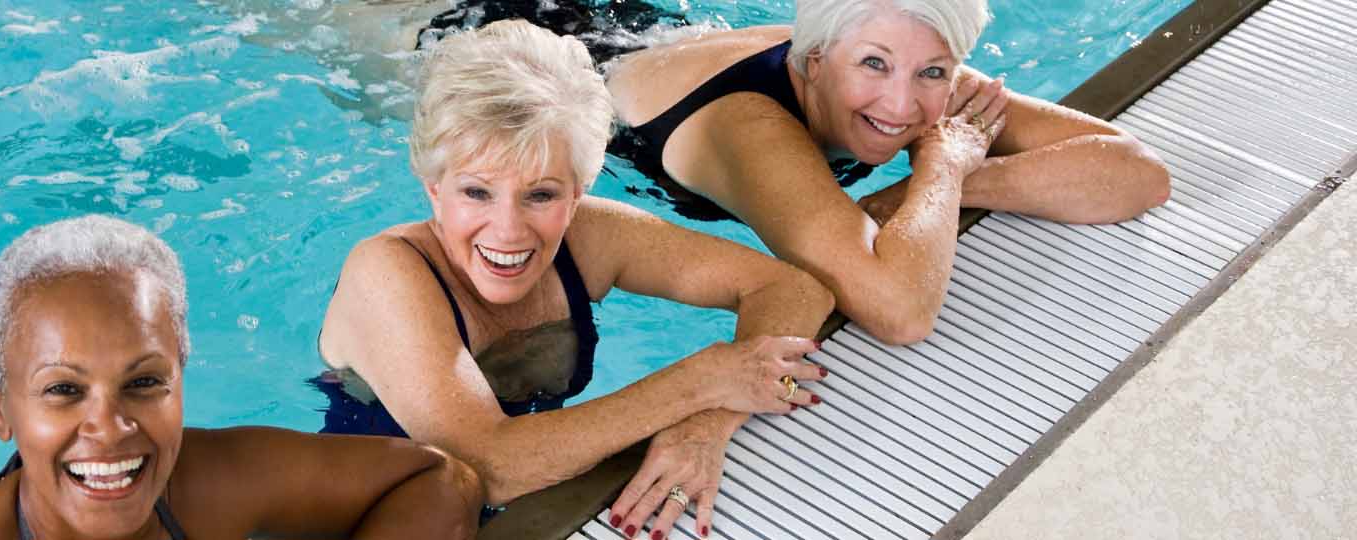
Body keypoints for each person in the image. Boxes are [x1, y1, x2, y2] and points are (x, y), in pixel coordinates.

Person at [315, 21, 835, 540]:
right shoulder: (387, 272)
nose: (508, 230)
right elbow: (490, 468)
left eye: (540, 195)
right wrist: (699, 381)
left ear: (580, 188)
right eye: (476, 193)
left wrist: (705, 425)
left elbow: (794, 290)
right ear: (433, 187)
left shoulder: (588, 237)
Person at [410, 0, 1172, 345]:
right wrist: (940, 164)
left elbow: (1136, 172)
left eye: (933, 74)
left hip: (625, 24)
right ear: (816, 62)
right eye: (872, 66)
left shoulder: (897, 58)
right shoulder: (755, 129)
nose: (902, 103)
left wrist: (944, 181)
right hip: (477, 39)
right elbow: (901, 312)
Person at [0, 216, 484, 540]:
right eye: (64, 390)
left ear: (180, 375)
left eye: (143, 382)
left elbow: (440, 479)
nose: (109, 429)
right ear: (0, 404)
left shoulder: (202, 485)